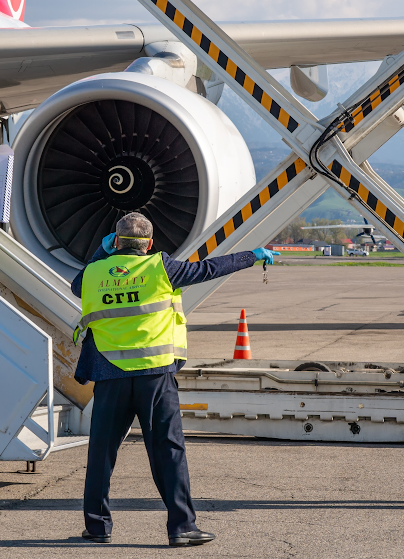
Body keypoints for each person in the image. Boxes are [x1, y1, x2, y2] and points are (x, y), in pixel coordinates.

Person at [71, 212, 276, 546]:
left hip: (109, 374)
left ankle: (97, 527)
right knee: (168, 450)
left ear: (116, 242)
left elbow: (77, 285)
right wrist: (251, 256)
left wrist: (101, 252)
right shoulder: (161, 268)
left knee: (101, 453)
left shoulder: (93, 273)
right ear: (150, 244)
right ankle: (181, 527)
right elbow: (210, 268)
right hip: (154, 376)